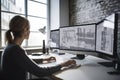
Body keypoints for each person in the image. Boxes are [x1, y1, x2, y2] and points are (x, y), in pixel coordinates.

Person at [1, 15, 76, 80]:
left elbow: (26, 61)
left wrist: (44, 59)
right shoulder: (16, 50)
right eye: (28, 29)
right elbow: (40, 72)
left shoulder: (10, 46)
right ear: (25, 30)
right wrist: (63, 64)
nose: (29, 31)